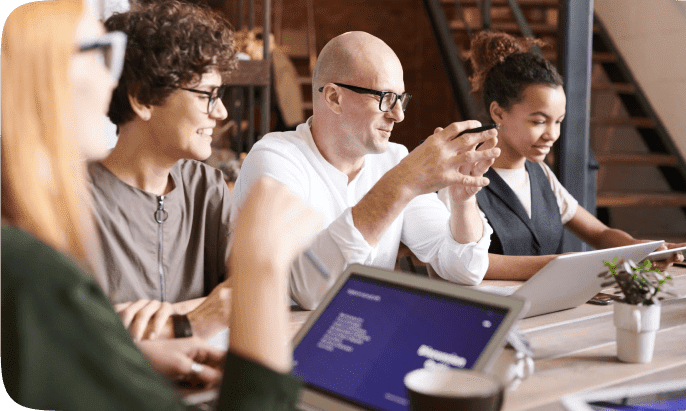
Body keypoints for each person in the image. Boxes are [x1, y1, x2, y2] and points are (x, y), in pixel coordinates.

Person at [1, 1, 321, 409]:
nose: (110, 78)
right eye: (101, 54)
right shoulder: (44, 226)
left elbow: (69, 347)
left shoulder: (204, 184)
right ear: (142, 100)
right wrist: (245, 279)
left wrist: (139, 347)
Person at [233, 31, 501, 310]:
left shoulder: (395, 159)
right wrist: (403, 182)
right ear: (335, 98)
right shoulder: (276, 158)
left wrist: (462, 201)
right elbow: (308, 289)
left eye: (401, 98)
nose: (399, 115)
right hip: (283, 344)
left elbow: (465, 270)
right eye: (385, 97)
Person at [463, 31, 686, 280]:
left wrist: (641, 249)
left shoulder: (541, 174)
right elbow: (465, 262)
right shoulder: (461, 174)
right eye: (538, 121)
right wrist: (561, 264)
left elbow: (599, 234)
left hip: (551, 309)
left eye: (558, 121)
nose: (552, 134)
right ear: (498, 113)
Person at [88, 0, 238, 341]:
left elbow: (243, 293)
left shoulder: (207, 186)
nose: (222, 112)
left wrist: (169, 318)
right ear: (142, 98)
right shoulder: (73, 200)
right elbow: (77, 337)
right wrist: (196, 316)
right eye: (207, 96)